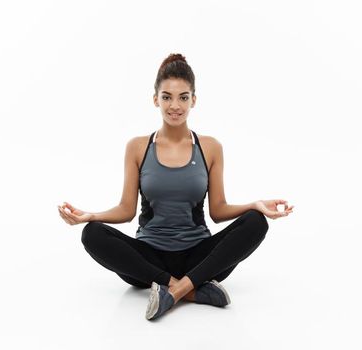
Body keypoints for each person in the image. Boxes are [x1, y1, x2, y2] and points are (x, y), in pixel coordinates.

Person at [57, 53, 294, 321]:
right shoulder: (137, 147)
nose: (175, 105)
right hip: (148, 261)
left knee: (256, 222)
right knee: (92, 234)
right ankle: (192, 290)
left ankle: (173, 290)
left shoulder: (210, 147)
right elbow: (126, 209)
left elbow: (218, 210)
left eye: (183, 97)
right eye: (167, 96)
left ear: (194, 100)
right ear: (155, 99)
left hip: (200, 257)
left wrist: (254, 205)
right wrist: (91, 216)